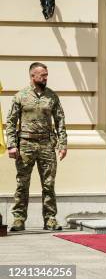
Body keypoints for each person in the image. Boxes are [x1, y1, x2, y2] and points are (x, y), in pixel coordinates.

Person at [5, 62, 67, 232]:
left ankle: (50, 219)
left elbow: (60, 120)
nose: (46, 77)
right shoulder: (20, 96)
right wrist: (11, 145)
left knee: (48, 184)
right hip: (25, 144)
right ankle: (18, 219)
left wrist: (63, 144)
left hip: (47, 144)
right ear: (33, 76)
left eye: (46, 74)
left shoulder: (52, 96)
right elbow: (10, 122)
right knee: (22, 184)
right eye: (42, 75)